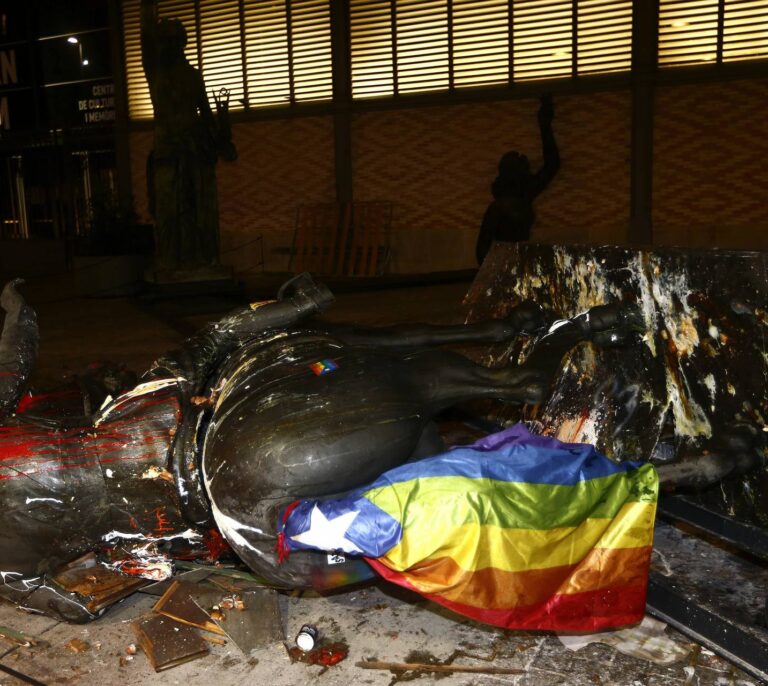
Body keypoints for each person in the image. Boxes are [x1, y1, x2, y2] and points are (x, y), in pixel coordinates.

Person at [0, 277, 760, 622]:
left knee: (449, 514)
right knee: (338, 351)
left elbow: (72, 603)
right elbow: (201, 346)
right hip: (208, 436)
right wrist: (284, 309)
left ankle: (675, 470)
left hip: (257, 532)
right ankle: (527, 358)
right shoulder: (77, 415)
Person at [141, 0, 237, 271]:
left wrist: (221, 138)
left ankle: (202, 260)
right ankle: (170, 261)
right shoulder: (155, 72)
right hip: (166, 151)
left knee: (198, 210)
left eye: (173, 40)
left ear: (182, 43)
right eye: (163, 40)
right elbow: (144, 36)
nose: (167, 45)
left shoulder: (194, 76)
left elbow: (205, 114)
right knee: (168, 210)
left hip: (193, 150)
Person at [476, 94, 560, 265]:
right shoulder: (503, 205)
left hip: (519, 260)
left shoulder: (523, 196)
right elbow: (481, 248)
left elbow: (552, 165)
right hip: (507, 261)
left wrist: (545, 125)